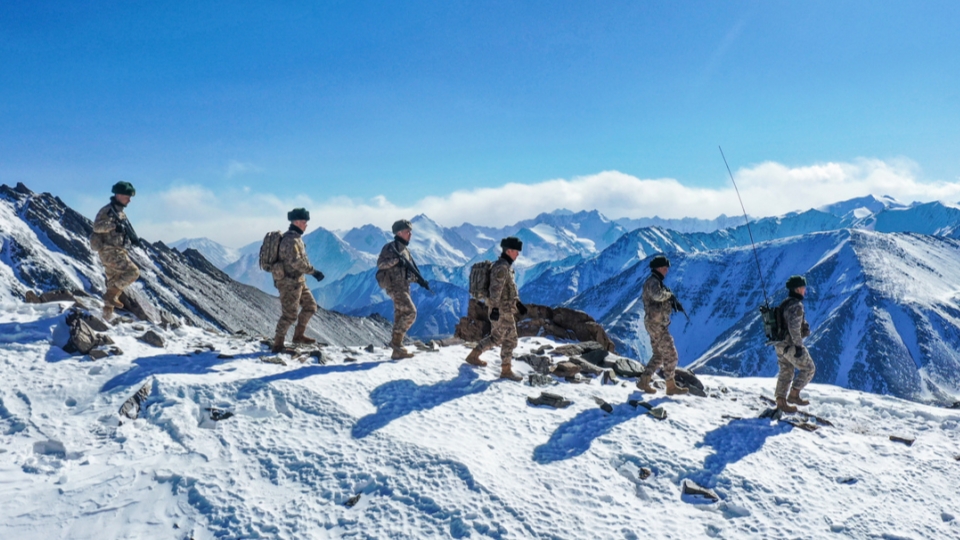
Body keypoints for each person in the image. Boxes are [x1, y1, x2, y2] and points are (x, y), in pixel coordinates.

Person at [464, 236, 527, 381]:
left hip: (503, 307)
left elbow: (507, 289)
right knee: (511, 340)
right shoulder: (502, 268)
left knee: (496, 337)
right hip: (502, 309)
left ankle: (474, 355)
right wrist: (495, 309)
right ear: (509, 251)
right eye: (516, 251)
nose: (518, 254)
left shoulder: (504, 266)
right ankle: (506, 370)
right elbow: (495, 290)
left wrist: (518, 303)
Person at [271, 208, 325, 353]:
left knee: (310, 306)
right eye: (303, 222)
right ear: (296, 222)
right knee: (289, 315)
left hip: (299, 281)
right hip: (289, 283)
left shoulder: (296, 238)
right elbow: (296, 263)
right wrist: (314, 272)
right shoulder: (290, 240)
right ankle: (278, 344)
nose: (306, 225)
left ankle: (298, 336)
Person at [637, 255, 688, 395]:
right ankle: (670, 386)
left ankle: (644, 381)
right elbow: (657, 296)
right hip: (656, 324)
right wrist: (669, 296)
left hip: (655, 323)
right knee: (671, 355)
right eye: (665, 268)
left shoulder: (656, 281)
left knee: (658, 355)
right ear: (659, 268)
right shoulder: (653, 282)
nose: (667, 271)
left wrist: (671, 301)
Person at [90, 181, 141, 320]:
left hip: (117, 250)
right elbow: (96, 227)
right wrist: (113, 225)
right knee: (133, 272)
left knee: (113, 281)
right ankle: (111, 295)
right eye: (127, 196)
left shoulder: (120, 212)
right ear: (118, 195)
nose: (129, 200)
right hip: (109, 251)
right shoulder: (107, 211)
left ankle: (106, 318)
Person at [376, 219, 424, 359]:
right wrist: (396, 261)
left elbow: (409, 270)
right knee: (411, 312)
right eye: (407, 232)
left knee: (400, 315)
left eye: (410, 232)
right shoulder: (390, 248)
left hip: (404, 287)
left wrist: (419, 280)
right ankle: (396, 343)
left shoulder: (405, 250)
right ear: (399, 232)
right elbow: (381, 264)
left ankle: (397, 351)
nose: (410, 235)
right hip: (394, 287)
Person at [774, 275, 816, 413]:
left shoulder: (785, 303)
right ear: (797, 289)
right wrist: (798, 346)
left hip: (779, 344)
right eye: (803, 288)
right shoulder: (796, 306)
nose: (804, 291)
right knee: (809, 368)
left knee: (786, 372)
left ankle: (781, 402)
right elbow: (794, 329)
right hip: (791, 344)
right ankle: (794, 395)